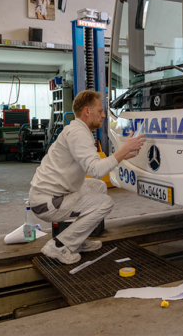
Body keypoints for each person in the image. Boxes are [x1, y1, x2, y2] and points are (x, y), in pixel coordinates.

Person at [29, 90, 146, 264]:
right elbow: (96, 169)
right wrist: (123, 150)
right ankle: (60, 245)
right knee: (105, 203)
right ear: (87, 111)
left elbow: (95, 166)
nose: (104, 115)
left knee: (98, 187)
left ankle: (77, 240)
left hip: (50, 196)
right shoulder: (79, 134)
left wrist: (122, 155)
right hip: (48, 202)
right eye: (100, 111)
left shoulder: (76, 130)